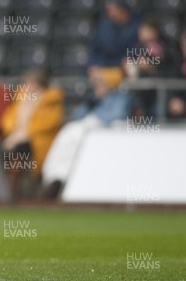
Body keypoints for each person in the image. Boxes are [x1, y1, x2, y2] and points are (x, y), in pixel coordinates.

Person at [42, 67, 130, 198]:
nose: (97, 88)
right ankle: (55, 176)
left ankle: (62, 177)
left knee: (75, 135)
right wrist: (91, 103)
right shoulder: (94, 100)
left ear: (110, 85)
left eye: (100, 85)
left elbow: (116, 116)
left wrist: (95, 117)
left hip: (102, 131)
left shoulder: (120, 99)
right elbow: (77, 115)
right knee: (67, 133)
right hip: (85, 128)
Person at [0, 69, 64, 200]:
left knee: (20, 149)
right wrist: (14, 134)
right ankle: (7, 187)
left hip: (39, 141)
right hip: (17, 138)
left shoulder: (51, 99)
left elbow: (49, 123)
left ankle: (16, 189)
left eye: (31, 83)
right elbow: (7, 120)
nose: (28, 87)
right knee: (0, 149)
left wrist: (24, 134)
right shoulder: (21, 99)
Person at [87, 0, 140, 74]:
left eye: (113, 9)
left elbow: (136, 50)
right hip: (103, 67)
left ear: (123, 10)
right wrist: (94, 64)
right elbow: (94, 48)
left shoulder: (136, 27)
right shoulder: (105, 26)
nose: (110, 13)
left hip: (124, 68)